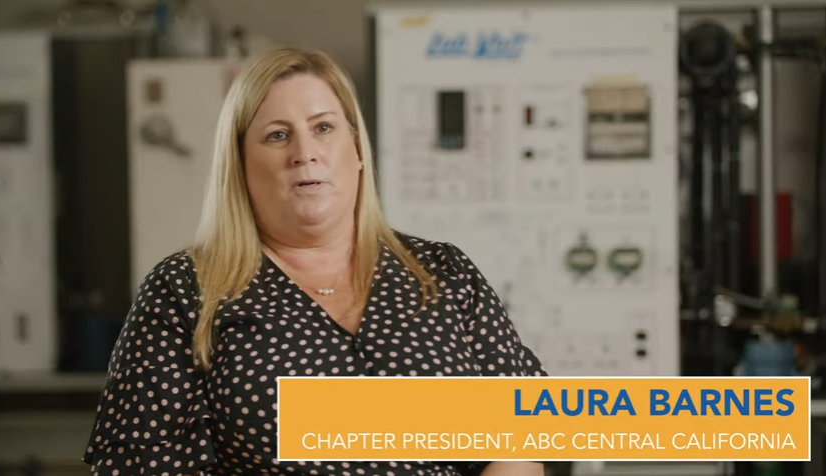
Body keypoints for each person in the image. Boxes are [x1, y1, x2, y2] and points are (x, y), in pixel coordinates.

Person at [82, 46, 548, 476]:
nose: (304, 154)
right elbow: (136, 462)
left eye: (323, 128)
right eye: (277, 135)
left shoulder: (442, 271)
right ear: (240, 166)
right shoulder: (185, 289)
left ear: (357, 148)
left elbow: (525, 435)